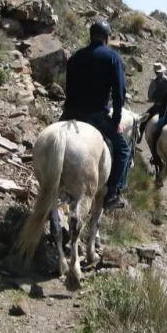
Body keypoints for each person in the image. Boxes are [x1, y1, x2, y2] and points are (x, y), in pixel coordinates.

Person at [61, 20, 131, 209]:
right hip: (95, 115)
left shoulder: (75, 57)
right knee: (124, 151)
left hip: (70, 113)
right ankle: (112, 194)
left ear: (91, 36)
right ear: (106, 38)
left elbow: (69, 89)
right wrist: (116, 120)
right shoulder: (113, 57)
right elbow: (119, 94)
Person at [138, 62, 167, 138]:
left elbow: (150, 97)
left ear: (155, 72)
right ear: (162, 71)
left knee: (143, 121)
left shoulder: (154, 82)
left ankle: (139, 138)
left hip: (157, 106)